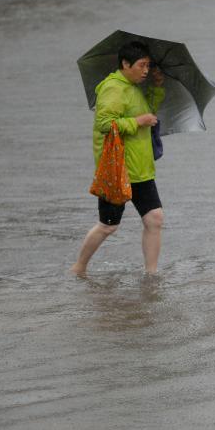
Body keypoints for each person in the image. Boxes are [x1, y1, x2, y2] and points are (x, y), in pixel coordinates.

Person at [72, 41, 167, 275]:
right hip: (118, 169)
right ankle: (79, 268)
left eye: (148, 65)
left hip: (141, 169)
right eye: (142, 65)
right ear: (125, 64)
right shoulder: (113, 88)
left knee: (154, 218)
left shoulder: (135, 87)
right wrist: (138, 122)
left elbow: (148, 112)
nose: (146, 70)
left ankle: (151, 276)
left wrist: (156, 88)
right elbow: (104, 124)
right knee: (108, 226)